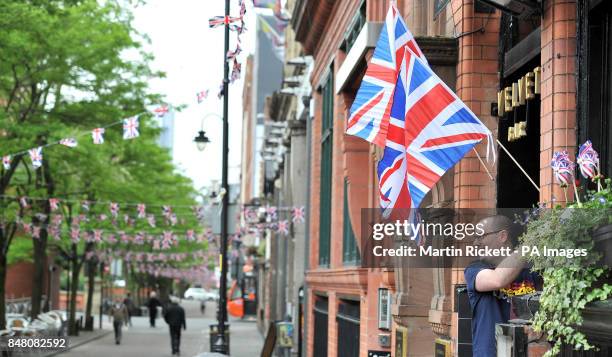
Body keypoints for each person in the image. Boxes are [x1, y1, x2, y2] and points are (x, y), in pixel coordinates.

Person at [464, 215, 540, 356]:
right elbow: (497, 280)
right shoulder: (474, 269)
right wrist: (531, 242)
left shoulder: (532, 271)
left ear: (502, 236)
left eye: (480, 236)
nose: (475, 243)